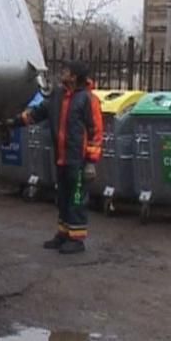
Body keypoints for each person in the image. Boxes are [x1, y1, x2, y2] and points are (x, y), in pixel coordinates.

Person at [13, 60, 103, 254]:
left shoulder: (88, 100)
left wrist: (91, 163)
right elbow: (39, 113)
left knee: (77, 199)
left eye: (66, 70)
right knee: (62, 198)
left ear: (74, 76)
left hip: (78, 160)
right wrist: (16, 121)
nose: (62, 73)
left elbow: (96, 132)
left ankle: (76, 239)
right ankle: (63, 234)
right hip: (61, 158)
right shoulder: (58, 95)